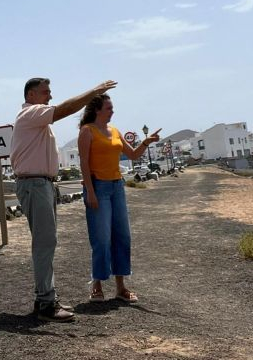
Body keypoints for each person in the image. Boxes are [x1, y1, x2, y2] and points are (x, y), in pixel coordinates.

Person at [11, 77, 117, 322]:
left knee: (46, 241)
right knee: (45, 242)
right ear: (31, 96)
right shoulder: (31, 114)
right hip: (35, 184)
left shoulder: (35, 118)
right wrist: (93, 92)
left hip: (41, 184)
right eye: (45, 92)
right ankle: (46, 302)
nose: (49, 96)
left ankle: (45, 298)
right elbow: (65, 110)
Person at [77, 93, 160, 303]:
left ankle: (121, 287)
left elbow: (132, 155)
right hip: (98, 187)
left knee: (123, 236)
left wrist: (147, 142)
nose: (112, 111)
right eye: (108, 108)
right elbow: (84, 165)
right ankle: (97, 285)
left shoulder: (115, 131)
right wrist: (91, 192)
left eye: (112, 108)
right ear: (97, 109)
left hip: (117, 187)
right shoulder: (87, 131)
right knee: (102, 239)